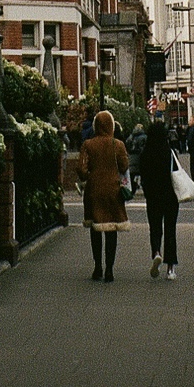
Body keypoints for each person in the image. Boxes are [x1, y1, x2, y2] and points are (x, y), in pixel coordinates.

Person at [77, 109, 129, 282]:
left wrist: (89, 176)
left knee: (95, 228)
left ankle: (97, 267)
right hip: (113, 190)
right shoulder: (118, 144)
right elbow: (124, 166)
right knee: (111, 229)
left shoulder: (88, 144)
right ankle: (109, 270)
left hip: (94, 189)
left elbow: (82, 169)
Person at [140, 118, 180, 280]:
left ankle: (157, 252)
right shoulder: (169, 152)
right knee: (170, 230)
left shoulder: (146, 153)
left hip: (153, 196)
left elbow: (142, 175)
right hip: (170, 196)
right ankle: (170, 268)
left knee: (155, 228)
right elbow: (176, 173)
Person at [126, 121, 147, 194]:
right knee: (143, 174)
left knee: (132, 174)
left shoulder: (131, 137)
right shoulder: (144, 137)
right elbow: (144, 148)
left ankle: (132, 189)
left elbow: (127, 144)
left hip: (131, 157)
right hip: (140, 157)